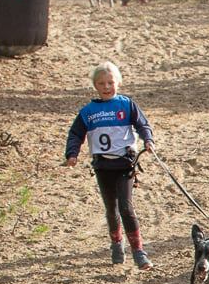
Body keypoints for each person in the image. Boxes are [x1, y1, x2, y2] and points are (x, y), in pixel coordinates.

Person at [64, 62, 155, 270]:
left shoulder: (127, 105)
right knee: (111, 210)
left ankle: (139, 251)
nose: (106, 87)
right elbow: (76, 133)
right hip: (103, 166)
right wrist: (72, 154)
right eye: (101, 83)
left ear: (118, 82)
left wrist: (148, 140)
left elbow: (142, 124)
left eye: (110, 82)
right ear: (95, 85)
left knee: (126, 207)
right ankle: (116, 243)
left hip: (126, 164)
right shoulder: (88, 111)